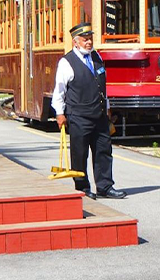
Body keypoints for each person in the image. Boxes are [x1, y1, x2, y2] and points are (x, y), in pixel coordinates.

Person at [51, 22, 126, 199]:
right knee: (80, 153)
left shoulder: (97, 57)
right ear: (75, 42)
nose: (89, 42)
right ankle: (82, 187)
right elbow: (59, 90)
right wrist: (60, 113)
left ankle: (105, 186)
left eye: (90, 39)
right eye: (85, 40)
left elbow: (102, 86)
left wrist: (106, 108)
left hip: (99, 115)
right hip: (79, 116)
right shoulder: (66, 62)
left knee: (103, 151)